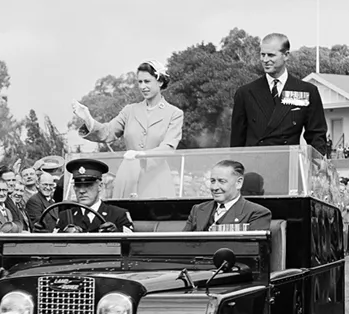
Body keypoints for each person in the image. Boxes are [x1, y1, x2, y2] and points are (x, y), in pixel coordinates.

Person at [72, 59, 183, 198]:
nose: (143, 86)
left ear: (160, 82)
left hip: (157, 179)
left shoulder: (174, 114)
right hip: (127, 177)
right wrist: (89, 120)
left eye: (147, 81)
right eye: (140, 82)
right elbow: (107, 132)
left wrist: (141, 155)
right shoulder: (129, 111)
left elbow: (168, 148)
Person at [229, 33, 328, 156]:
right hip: (255, 164)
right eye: (262, 55)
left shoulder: (307, 91)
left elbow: (316, 136)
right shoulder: (245, 93)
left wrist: (318, 162)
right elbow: (237, 142)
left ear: (286, 55)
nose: (265, 60)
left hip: (288, 163)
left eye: (271, 55)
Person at [184, 160, 272, 232]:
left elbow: (252, 247)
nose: (214, 187)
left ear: (238, 183)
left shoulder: (257, 214)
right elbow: (182, 244)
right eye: (212, 181)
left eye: (222, 181)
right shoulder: (197, 210)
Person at [54, 159, 132, 232]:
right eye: (78, 186)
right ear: (74, 188)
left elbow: (131, 241)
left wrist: (115, 234)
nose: (82, 191)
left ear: (100, 186)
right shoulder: (65, 217)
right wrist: (65, 236)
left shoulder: (118, 215)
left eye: (88, 185)